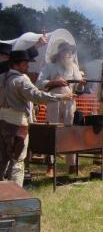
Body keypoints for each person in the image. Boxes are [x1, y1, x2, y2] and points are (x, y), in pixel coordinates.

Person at [0, 50, 74, 186]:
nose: (28, 66)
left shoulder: (2, 77)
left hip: (2, 122)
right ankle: (15, 196)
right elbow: (37, 96)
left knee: (2, 160)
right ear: (18, 64)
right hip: (17, 123)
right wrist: (61, 97)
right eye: (25, 63)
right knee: (17, 162)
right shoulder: (21, 80)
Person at [37, 42, 85, 175]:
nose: (69, 54)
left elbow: (79, 87)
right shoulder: (49, 66)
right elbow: (39, 83)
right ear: (59, 53)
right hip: (54, 103)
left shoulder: (74, 67)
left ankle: (72, 166)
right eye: (66, 51)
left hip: (69, 103)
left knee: (69, 133)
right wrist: (54, 82)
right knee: (53, 132)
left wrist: (81, 84)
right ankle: (50, 166)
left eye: (71, 52)